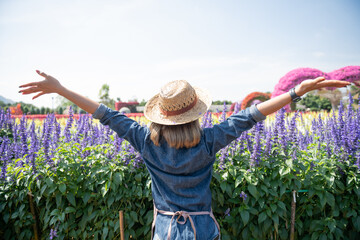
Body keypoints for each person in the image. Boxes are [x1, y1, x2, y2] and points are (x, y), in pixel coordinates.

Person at [19, 70, 350, 240]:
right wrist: (296, 92)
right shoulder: (208, 141)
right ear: (194, 114)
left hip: (165, 230)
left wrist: (60, 89)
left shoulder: (143, 140)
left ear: (160, 114)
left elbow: (104, 113)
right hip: (202, 229)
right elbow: (252, 115)